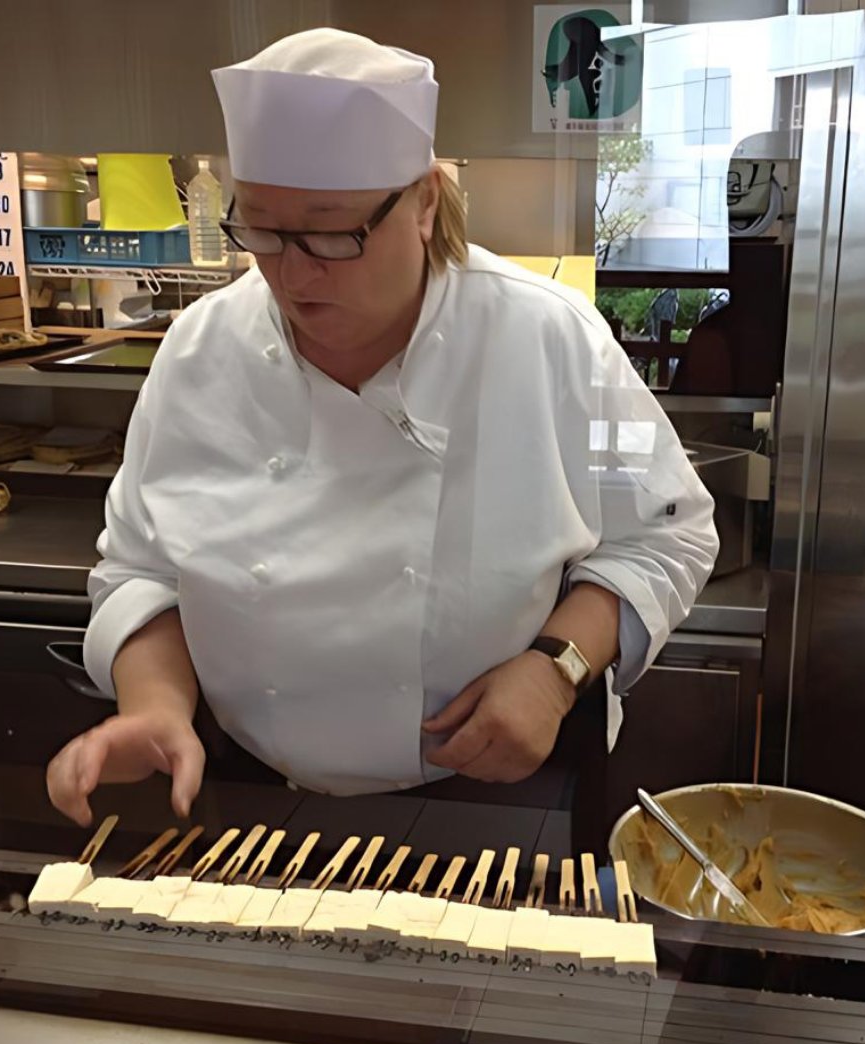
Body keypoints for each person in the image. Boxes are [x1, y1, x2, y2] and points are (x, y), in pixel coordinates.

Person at [46, 28, 718, 828]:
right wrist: (154, 704)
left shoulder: (547, 339)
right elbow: (141, 568)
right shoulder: (201, 350)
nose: (292, 274)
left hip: (495, 795)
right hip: (244, 794)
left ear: (425, 202)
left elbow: (664, 536)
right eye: (260, 229)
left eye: (333, 234)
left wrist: (553, 669)